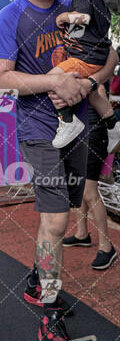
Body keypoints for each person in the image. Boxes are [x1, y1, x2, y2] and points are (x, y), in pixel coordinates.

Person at [0, 0, 117, 341]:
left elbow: (110, 53)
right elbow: (1, 78)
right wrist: (53, 82)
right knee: (57, 219)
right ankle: (50, 306)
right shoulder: (11, 16)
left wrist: (89, 81)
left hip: (80, 126)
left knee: (61, 217)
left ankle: (36, 278)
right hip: (41, 130)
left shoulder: (74, 6)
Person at [48, 0, 120, 150]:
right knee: (95, 94)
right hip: (99, 58)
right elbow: (82, 32)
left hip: (85, 59)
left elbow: (83, 19)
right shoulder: (103, 4)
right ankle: (113, 125)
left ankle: (68, 120)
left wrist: (64, 17)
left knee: (51, 79)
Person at [63, 83, 117, 270]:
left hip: (93, 131)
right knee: (78, 186)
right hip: (75, 131)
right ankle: (81, 234)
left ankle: (106, 246)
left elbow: (100, 93)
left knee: (89, 190)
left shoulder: (94, 67)